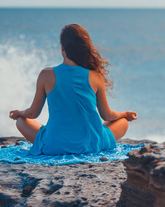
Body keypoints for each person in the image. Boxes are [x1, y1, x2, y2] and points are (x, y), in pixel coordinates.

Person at [9, 24, 137, 155]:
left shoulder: (46, 75)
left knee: (21, 121)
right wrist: (124, 114)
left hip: (55, 145)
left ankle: (57, 136)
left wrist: (19, 113)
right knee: (123, 122)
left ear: (62, 47)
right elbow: (107, 115)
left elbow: (32, 114)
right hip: (91, 144)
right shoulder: (95, 76)